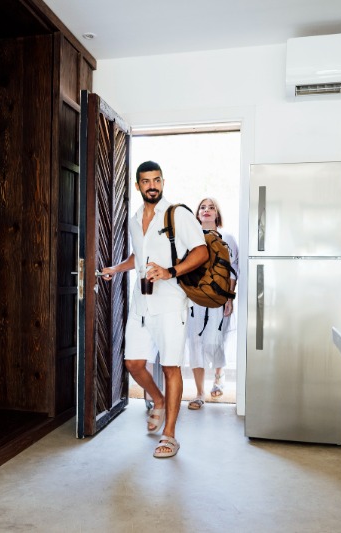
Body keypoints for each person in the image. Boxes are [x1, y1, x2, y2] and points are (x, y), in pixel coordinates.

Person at [101, 161, 207, 458]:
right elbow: (139, 255)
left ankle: (170, 435)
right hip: (140, 304)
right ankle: (158, 400)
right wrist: (117, 268)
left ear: (163, 182)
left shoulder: (178, 214)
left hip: (171, 304)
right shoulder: (135, 219)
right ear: (138, 186)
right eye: (146, 181)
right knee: (133, 363)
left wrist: (170, 272)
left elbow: (201, 251)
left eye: (157, 180)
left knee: (170, 366)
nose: (152, 186)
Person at [185, 197, 239, 410]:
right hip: (195, 298)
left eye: (211, 207)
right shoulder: (191, 237)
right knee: (195, 343)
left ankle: (219, 373)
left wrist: (229, 296)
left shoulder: (228, 237)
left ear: (217, 214)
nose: (206, 210)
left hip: (218, 296)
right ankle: (199, 393)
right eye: (202, 207)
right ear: (197, 214)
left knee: (214, 341)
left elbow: (233, 268)